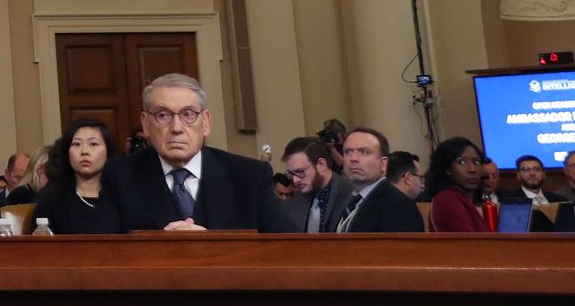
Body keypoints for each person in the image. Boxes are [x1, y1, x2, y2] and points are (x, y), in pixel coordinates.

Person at [102, 73, 291, 232]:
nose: (176, 128)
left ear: (206, 122)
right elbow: (102, 256)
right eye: (163, 115)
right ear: (146, 124)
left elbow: (287, 249)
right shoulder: (120, 176)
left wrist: (211, 247)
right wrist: (158, 247)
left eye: (188, 114)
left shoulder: (250, 176)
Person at [34, 119, 122, 234]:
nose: (84, 151)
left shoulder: (124, 198)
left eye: (93, 144)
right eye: (76, 144)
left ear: (108, 151)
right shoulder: (50, 200)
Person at [334, 127, 422, 232]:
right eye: (348, 152)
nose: (353, 158)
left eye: (364, 152)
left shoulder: (399, 206)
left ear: (383, 164)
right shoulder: (348, 200)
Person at [282, 138, 349, 233]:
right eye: (291, 174)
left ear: (321, 164)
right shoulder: (295, 200)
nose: (295, 180)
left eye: (300, 172)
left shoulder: (350, 195)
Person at [423, 137, 488, 233]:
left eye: (476, 162)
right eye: (461, 162)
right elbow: (472, 244)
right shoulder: (448, 199)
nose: (472, 169)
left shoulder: (462, 197)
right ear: (447, 168)